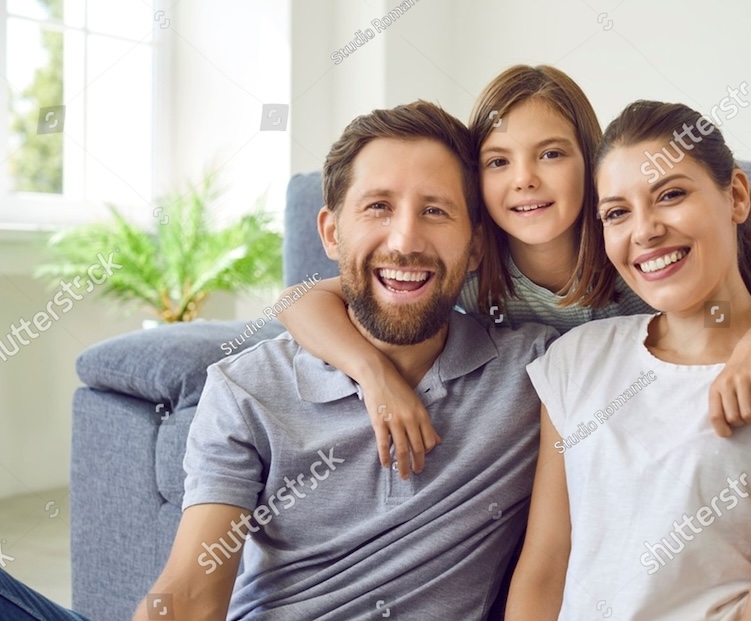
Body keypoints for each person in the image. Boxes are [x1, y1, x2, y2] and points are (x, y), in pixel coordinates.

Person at [0, 101, 555, 620]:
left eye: (435, 210)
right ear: (332, 234)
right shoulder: (247, 388)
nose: (405, 239)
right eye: (378, 207)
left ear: (477, 245)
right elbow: (191, 588)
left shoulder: (535, 371)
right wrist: (373, 372)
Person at [278, 65, 751, 481]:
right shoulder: (473, 268)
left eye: (551, 154)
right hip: (552, 424)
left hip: (655, 397)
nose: (525, 179)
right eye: (498, 162)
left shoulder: (636, 263)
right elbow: (299, 301)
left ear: (592, 165)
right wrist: (375, 376)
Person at [504, 100, 751, 620]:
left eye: (671, 195)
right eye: (617, 212)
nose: (644, 231)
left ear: (736, 196)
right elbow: (546, 567)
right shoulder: (577, 359)